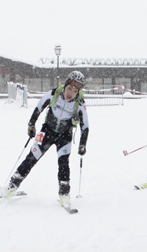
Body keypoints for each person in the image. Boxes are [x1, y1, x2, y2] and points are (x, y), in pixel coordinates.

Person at [6, 71, 89, 207]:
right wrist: (31, 125)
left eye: (75, 91)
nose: (71, 93)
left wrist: (82, 144)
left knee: (63, 164)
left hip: (65, 136)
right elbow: (38, 108)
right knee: (31, 158)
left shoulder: (80, 103)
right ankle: (12, 185)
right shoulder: (54, 94)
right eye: (69, 88)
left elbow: (85, 126)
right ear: (65, 85)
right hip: (47, 132)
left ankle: (64, 194)